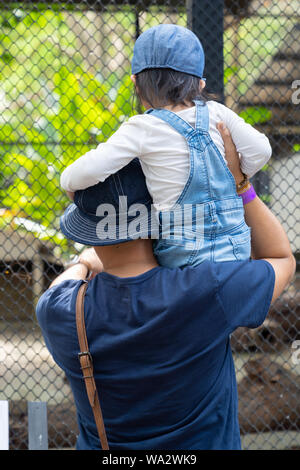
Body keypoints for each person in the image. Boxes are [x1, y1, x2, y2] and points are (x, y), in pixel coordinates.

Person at [36, 124, 295, 450]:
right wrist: (240, 184)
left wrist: (84, 263)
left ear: (90, 233)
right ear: (160, 216)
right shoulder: (207, 290)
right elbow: (281, 258)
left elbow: (61, 286)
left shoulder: (61, 311)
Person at [60, 24, 272, 268]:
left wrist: (69, 185)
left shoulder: (142, 126)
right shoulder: (218, 113)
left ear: (136, 83)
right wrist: (233, 176)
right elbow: (262, 151)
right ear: (200, 85)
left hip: (182, 257)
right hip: (236, 251)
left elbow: (84, 173)